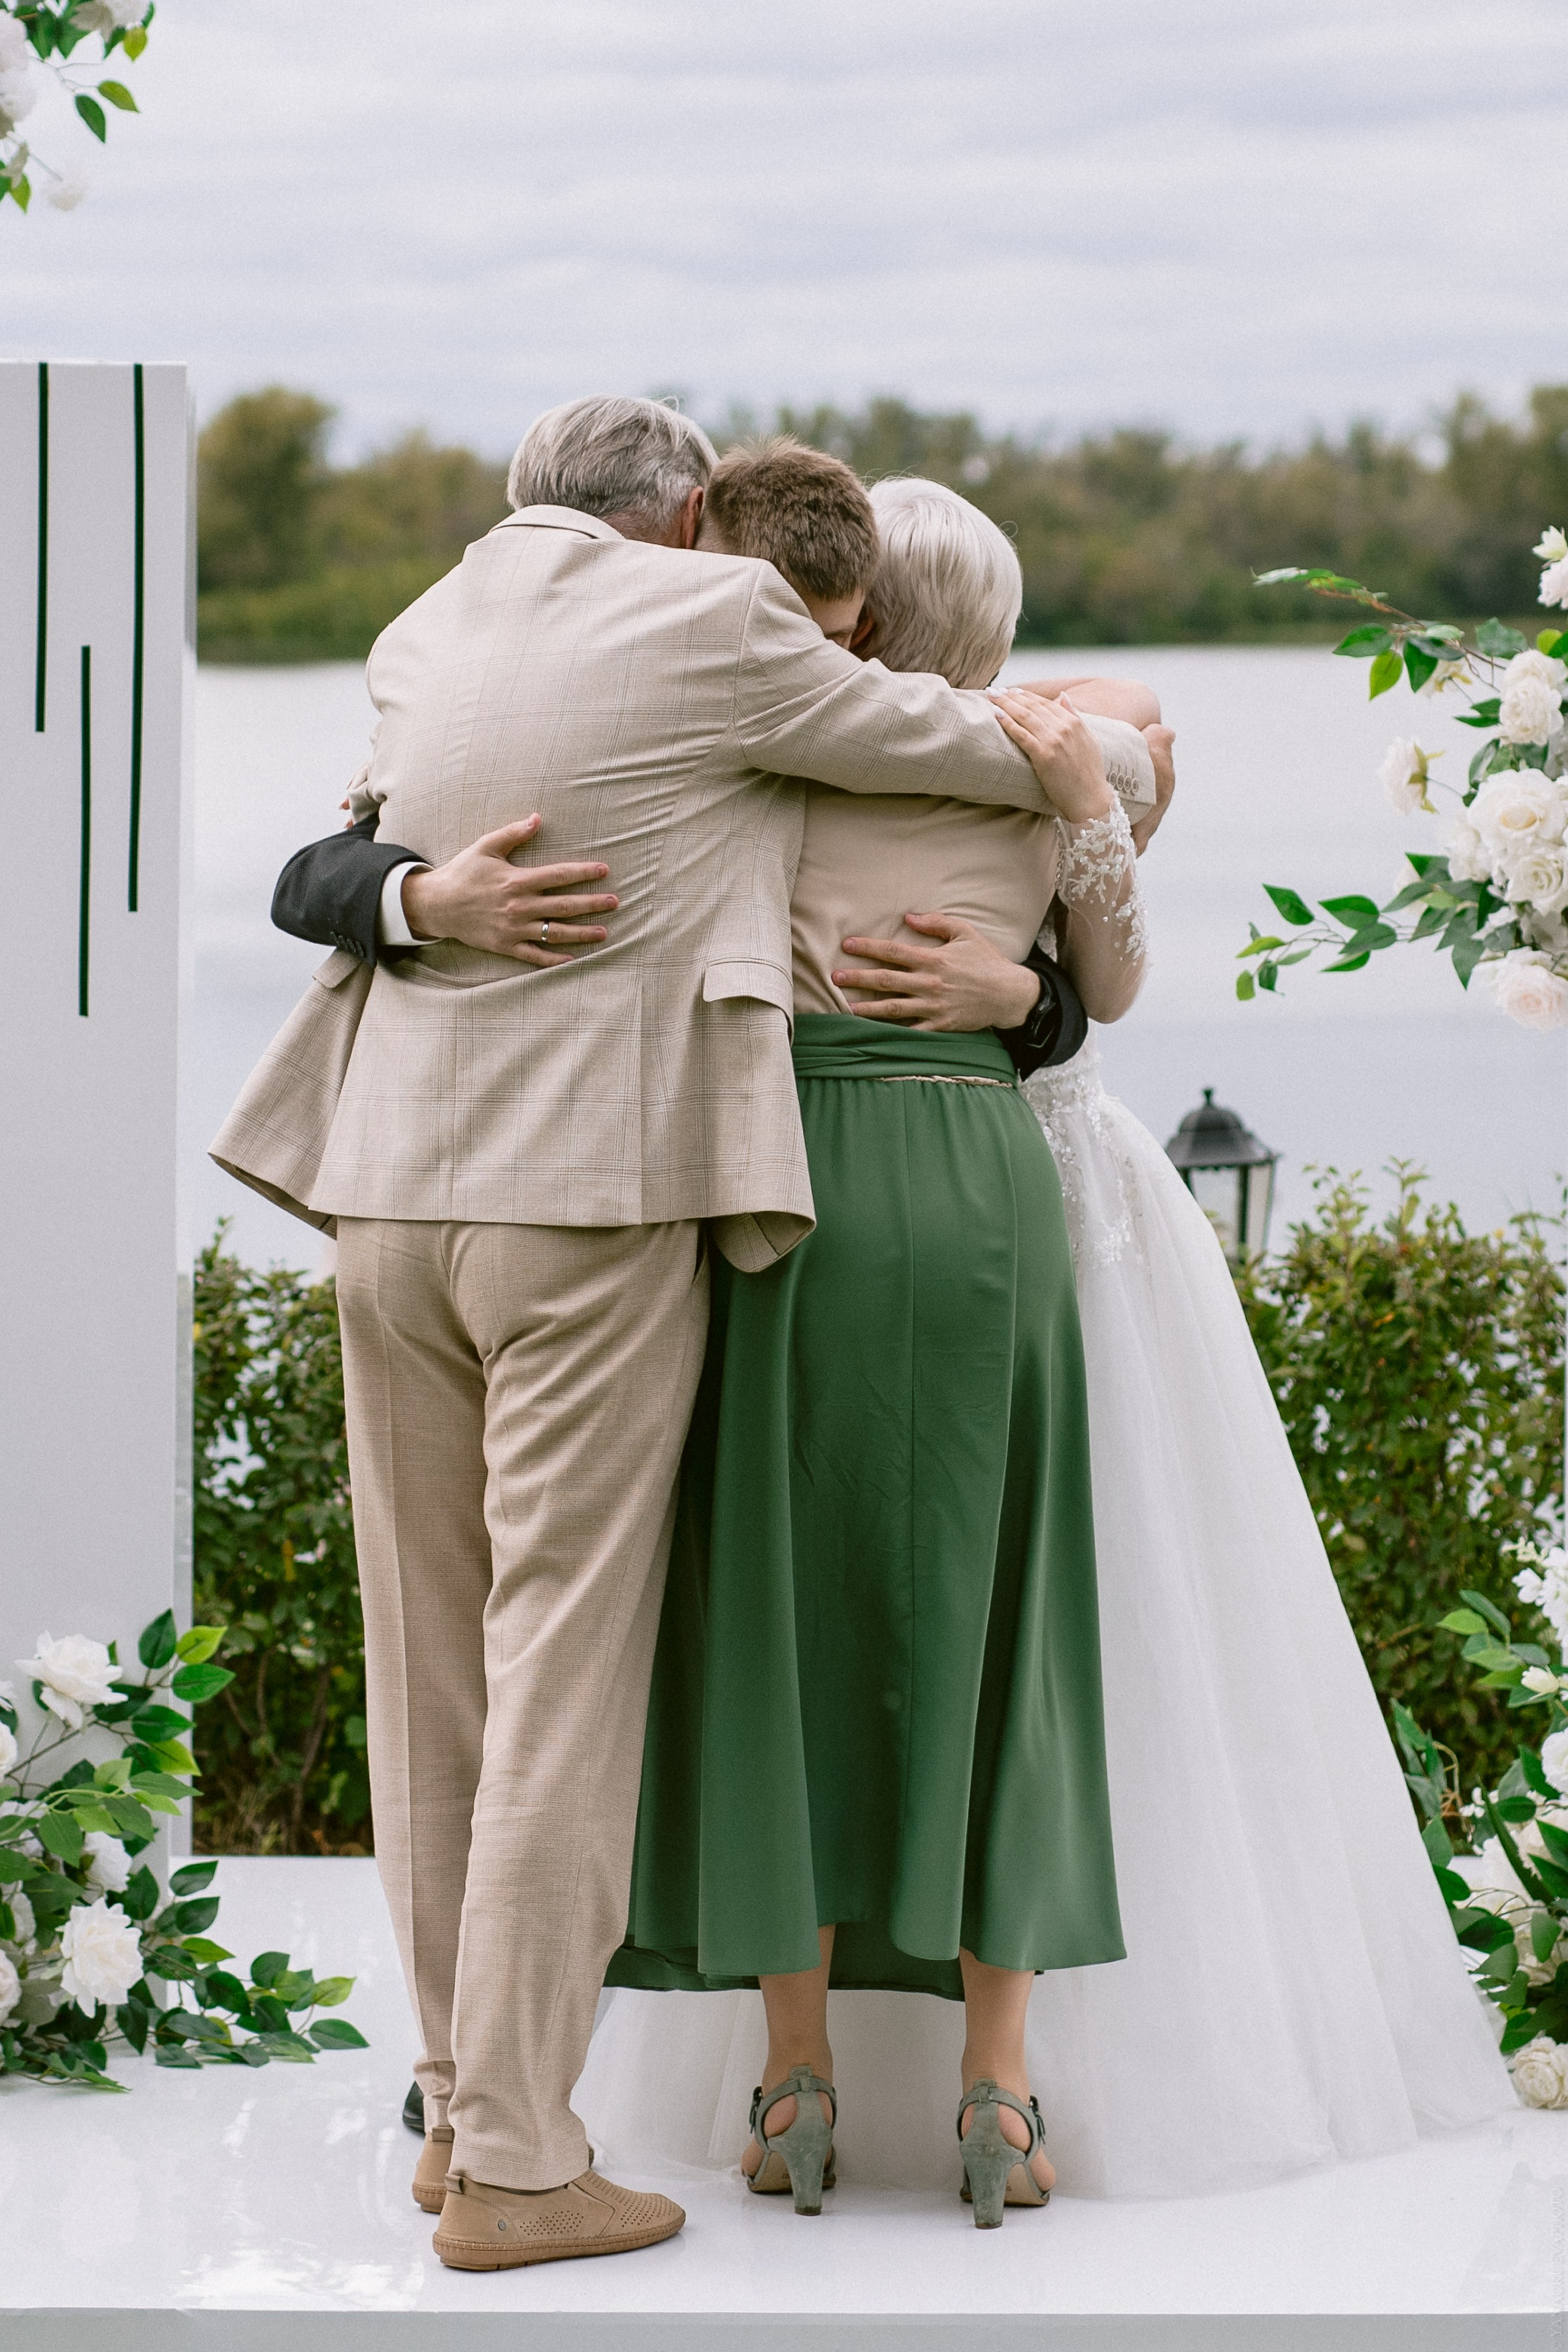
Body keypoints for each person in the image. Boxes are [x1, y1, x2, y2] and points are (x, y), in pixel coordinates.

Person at [211, 396, 1117, 2271]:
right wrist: (1106, 776)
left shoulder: (432, 626)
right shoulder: (718, 623)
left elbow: (324, 863)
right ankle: (528, 2169)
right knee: (560, 1678)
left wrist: (407, 897)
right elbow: (968, 747)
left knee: (429, 1667)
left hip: (386, 1201)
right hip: (587, 1208)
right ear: (690, 512)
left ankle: (454, 2113)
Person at [590, 466, 1151, 2227]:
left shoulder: (767, 764)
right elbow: (1112, 992)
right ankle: (998, 2094)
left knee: (780, 1606)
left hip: (798, 1189)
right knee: (1001, 1612)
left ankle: (795, 2083)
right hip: (981, 1188)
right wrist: (1039, 959)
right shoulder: (1055, 769)